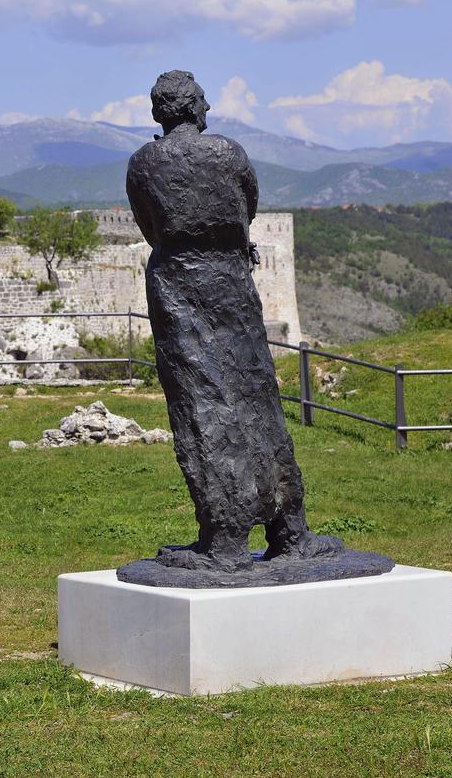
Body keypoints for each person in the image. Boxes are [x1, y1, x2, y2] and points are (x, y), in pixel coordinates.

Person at [125, 70, 342, 573]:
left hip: (177, 279)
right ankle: (288, 530)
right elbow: (246, 208)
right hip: (231, 278)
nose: (210, 108)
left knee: (201, 400)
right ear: (194, 107)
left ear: (160, 112)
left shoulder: (143, 163)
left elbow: (149, 225)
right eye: (203, 101)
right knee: (256, 395)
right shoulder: (227, 153)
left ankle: (226, 536)